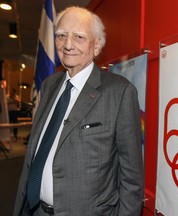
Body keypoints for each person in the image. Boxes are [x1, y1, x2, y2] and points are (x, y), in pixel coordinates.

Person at [14, 6, 144, 216]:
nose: (67, 44)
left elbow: (131, 179)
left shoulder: (119, 92)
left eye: (79, 37)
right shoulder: (49, 85)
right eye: (61, 35)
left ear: (97, 45)